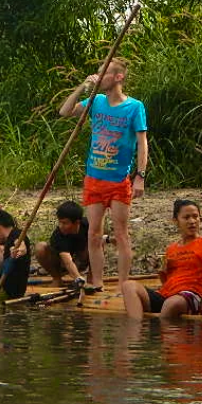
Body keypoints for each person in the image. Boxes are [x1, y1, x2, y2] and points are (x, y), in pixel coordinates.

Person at [58, 58, 148, 290]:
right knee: (94, 234)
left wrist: (141, 175)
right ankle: (97, 282)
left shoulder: (134, 107)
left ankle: (123, 285)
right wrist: (83, 87)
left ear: (119, 77)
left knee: (121, 233)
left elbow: (142, 141)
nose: (100, 77)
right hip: (94, 178)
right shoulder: (96, 101)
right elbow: (65, 111)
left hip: (118, 180)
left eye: (104, 73)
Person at [122, 200, 202, 319]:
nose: (192, 221)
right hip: (166, 295)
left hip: (190, 295)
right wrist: (160, 269)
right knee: (128, 286)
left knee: (171, 303)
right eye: (186, 217)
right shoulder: (171, 249)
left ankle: (161, 333)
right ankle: (136, 331)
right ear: (175, 221)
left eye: (195, 217)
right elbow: (166, 281)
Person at [34, 200, 97, 286]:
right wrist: (78, 279)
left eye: (65, 223)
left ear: (77, 222)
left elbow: (98, 245)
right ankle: (57, 278)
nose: (61, 226)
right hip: (62, 264)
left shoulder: (88, 225)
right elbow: (68, 262)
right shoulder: (58, 235)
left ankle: (92, 276)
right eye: (60, 222)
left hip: (81, 260)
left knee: (97, 242)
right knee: (40, 247)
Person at [0, 209, 32, 299]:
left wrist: (20, 249)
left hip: (10, 293)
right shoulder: (10, 237)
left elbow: (19, 243)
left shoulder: (16, 235)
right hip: (6, 289)